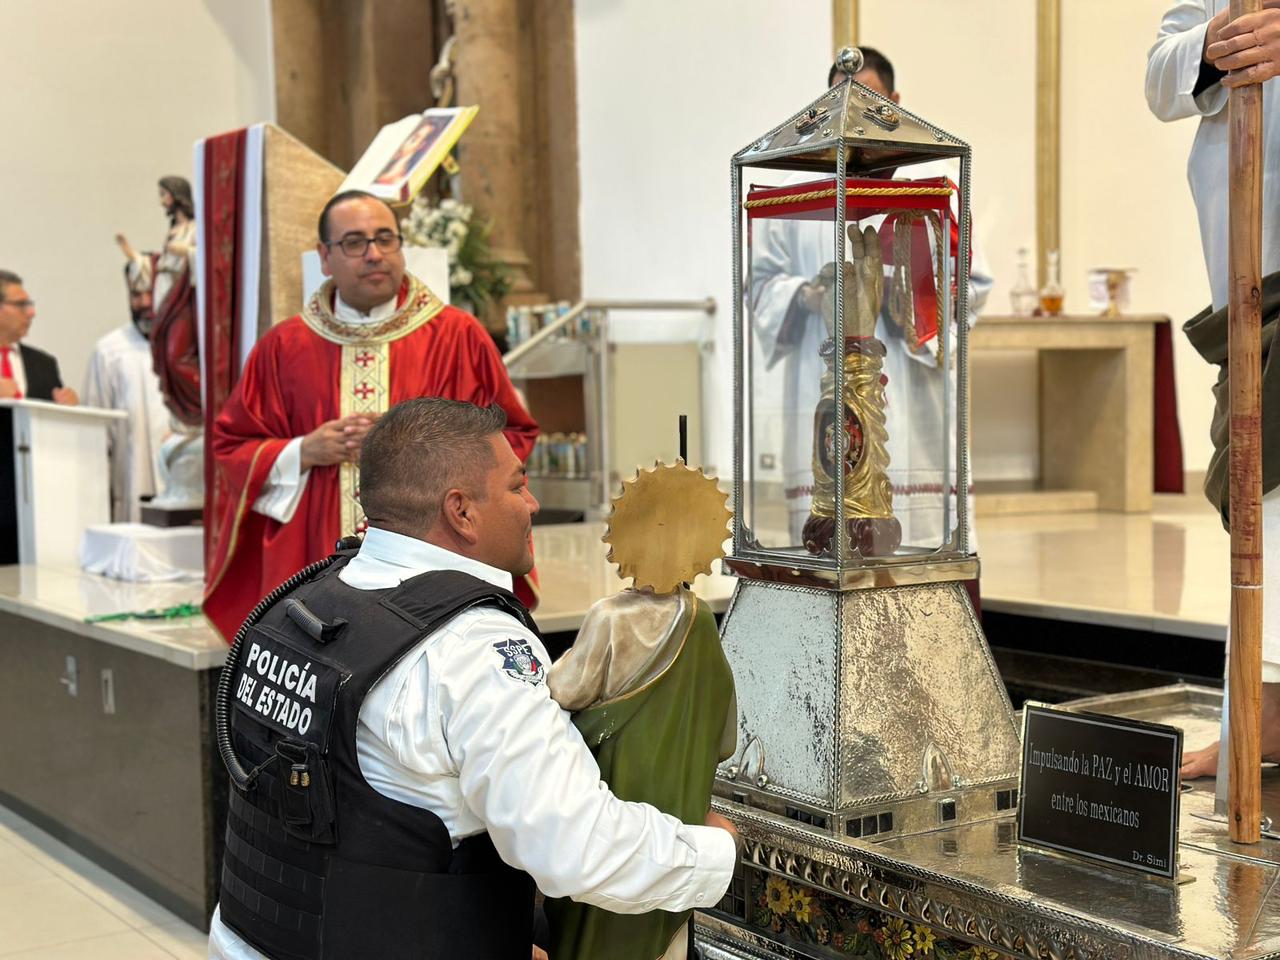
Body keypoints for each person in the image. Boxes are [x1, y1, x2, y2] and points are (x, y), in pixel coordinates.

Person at [206, 398, 737, 960]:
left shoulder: (301, 604)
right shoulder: (472, 648)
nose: (532, 504)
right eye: (517, 486)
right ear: (461, 511)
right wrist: (716, 852)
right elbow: (577, 849)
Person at [204, 190, 539, 641]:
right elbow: (231, 445)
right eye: (355, 242)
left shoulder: (457, 336)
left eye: (386, 238)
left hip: (433, 558)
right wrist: (305, 450)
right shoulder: (284, 346)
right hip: (313, 557)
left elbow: (512, 433)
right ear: (324, 257)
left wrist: (423, 455)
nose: (374, 254)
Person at [751, 48, 991, 551]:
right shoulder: (796, 205)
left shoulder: (927, 205)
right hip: (823, 389)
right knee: (830, 539)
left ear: (895, 105)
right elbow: (759, 286)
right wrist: (809, 295)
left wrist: (912, 305)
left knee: (920, 544)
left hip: (911, 393)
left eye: (870, 101)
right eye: (841, 101)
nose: (855, 116)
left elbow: (972, 287)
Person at [1147, 1, 1280, 778]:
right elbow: (1160, 78)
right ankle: (1258, 716)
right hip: (1247, 272)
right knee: (1258, 495)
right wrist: (1210, 45)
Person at [116, 176, 201, 426]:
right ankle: (183, 405)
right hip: (165, 292)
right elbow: (156, 264)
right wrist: (132, 254)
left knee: (177, 355)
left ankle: (201, 399)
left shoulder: (194, 228)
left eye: (164, 195)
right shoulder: (174, 228)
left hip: (182, 294)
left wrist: (185, 252)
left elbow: (206, 255)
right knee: (164, 349)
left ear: (177, 196)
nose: (161, 201)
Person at [81, 295, 170, 522]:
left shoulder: (192, 345)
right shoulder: (110, 351)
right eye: (135, 295)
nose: (143, 302)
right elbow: (95, 437)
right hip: (133, 487)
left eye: (150, 292)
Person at [0, 271, 78, 405]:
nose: (31, 313)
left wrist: (69, 408)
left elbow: (50, 420)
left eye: (29, 305)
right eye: (21, 305)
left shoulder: (44, 365)